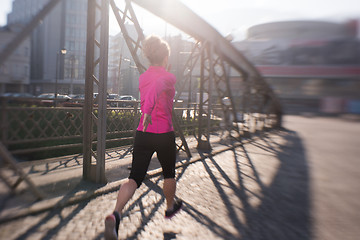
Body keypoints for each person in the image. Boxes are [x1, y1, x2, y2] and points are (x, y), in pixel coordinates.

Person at [104, 35, 183, 240]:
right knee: (169, 174)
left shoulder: (142, 77)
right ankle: (169, 207)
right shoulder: (168, 77)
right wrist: (147, 111)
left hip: (143, 134)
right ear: (165, 58)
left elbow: (151, 88)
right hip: (164, 134)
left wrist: (145, 115)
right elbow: (157, 89)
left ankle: (116, 213)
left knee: (134, 179)